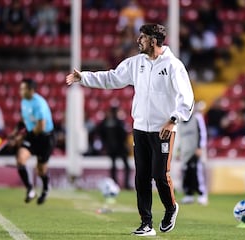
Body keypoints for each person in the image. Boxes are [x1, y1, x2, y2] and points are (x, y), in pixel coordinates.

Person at [66, 23, 194, 236]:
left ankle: (171, 208)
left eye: (142, 37)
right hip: (140, 129)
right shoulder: (136, 63)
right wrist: (84, 77)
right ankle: (146, 223)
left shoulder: (173, 65)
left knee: (160, 175)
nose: (138, 41)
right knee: (141, 176)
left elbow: (187, 97)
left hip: (163, 129)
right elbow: (112, 78)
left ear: (153, 40)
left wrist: (173, 119)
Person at [10, 78, 55, 205]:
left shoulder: (39, 104)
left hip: (45, 138)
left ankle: (45, 189)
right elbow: (24, 119)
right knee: (20, 159)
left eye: (23, 89)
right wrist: (14, 133)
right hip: (32, 136)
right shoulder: (24, 101)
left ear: (31, 90)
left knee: (41, 169)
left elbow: (41, 125)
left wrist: (22, 137)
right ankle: (30, 189)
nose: (20, 91)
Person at [175, 102, 208, 205]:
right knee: (186, 173)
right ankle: (188, 194)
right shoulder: (180, 122)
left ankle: (202, 194)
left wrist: (200, 147)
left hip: (195, 150)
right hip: (185, 151)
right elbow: (179, 137)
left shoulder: (197, 118)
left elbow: (202, 133)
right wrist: (178, 150)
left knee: (196, 172)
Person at [97, 106, 131, 189]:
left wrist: (106, 144)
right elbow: (124, 134)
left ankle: (114, 184)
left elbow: (100, 133)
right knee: (126, 166)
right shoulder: (119, 122)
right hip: (121, 147)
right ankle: (126, 184)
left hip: (111, 148)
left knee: (113, 167)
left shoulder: (105, 123)